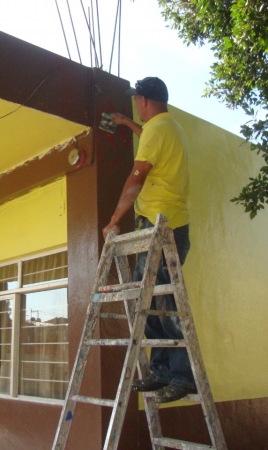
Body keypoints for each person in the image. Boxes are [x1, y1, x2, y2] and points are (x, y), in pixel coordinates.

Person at [102, 77, 195, 403]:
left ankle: (183, 376)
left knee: (162, 301)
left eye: (136, 101)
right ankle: (161, 372)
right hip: (169, 227)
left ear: (144, 100)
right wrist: (128, 124)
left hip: (162, 229)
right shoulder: (170, 128)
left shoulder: (158, 131)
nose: (135, 106)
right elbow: (150, 140)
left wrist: (115, 219)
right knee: (150, 298)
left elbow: (137, 176)